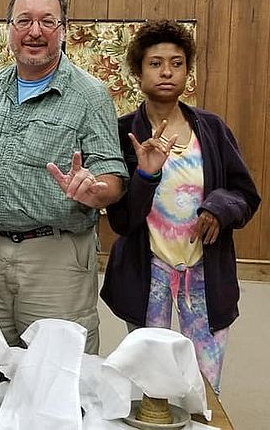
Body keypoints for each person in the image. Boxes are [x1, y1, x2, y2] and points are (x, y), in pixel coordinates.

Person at [0, 0, 127, 354]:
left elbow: (113, 175)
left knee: (57, 378)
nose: (35, 31)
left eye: (47, 22)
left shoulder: (90, 95)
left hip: (57, 258)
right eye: (24, 21)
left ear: (64, 31)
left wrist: (96, 188)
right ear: (9, 29)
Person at [100, 20, 260, 394]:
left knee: (202, 384)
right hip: (147, 273)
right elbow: (122, 220)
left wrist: (219, 208)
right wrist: (145, 175)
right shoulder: (124, 134)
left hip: (205, 273)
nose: (167, 71)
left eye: (177, 62)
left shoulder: (212, 129)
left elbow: (245, 194)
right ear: (137, 73)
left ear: (188, 71)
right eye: (155, 63)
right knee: (148, 380)